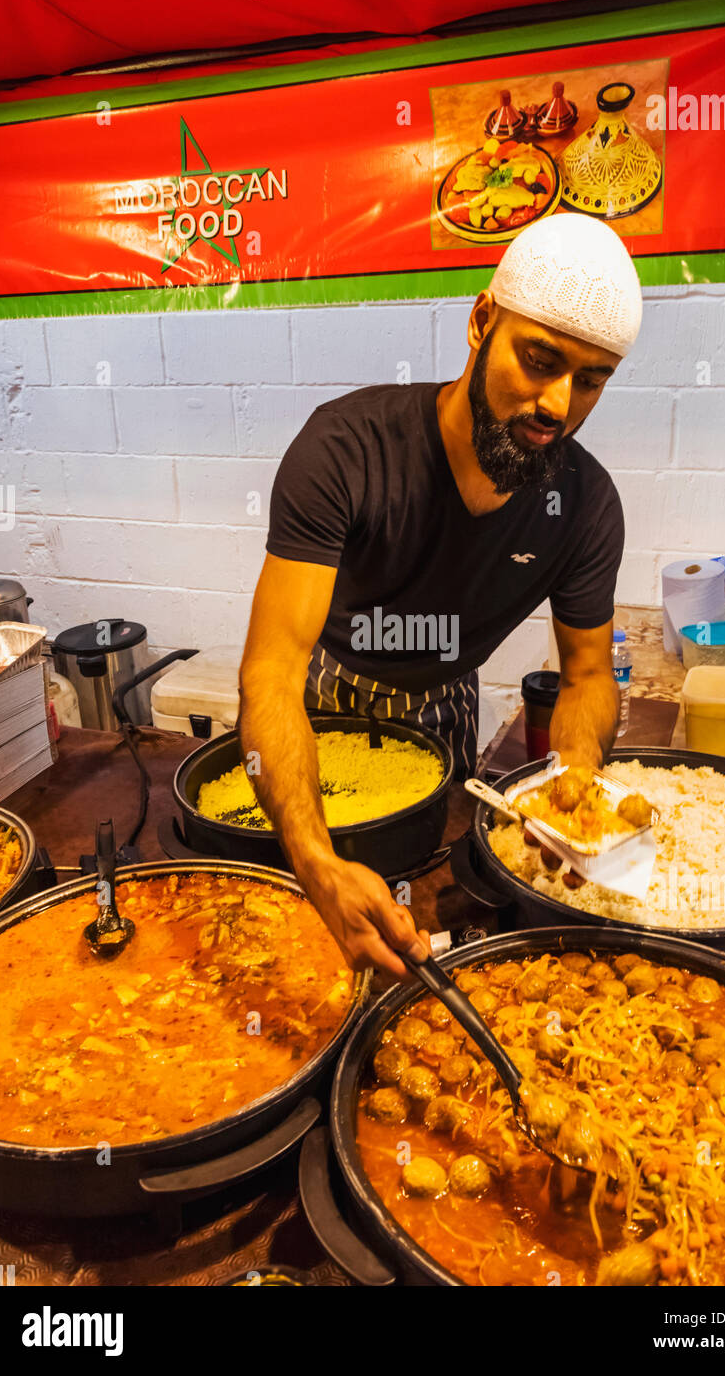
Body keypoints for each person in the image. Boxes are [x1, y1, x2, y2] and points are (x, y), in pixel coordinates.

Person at [239, 213, 642, 975]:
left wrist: (575, 777)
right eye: (539, 359)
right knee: (310, 941)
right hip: (321, 704)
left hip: (447, 707)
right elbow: (269, 675)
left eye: (590, 380)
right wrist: (316, 862)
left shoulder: (585, 504)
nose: (559, 403)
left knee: (424, 908)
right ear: (481, 320)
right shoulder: (345, 451)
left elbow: (588, 676)